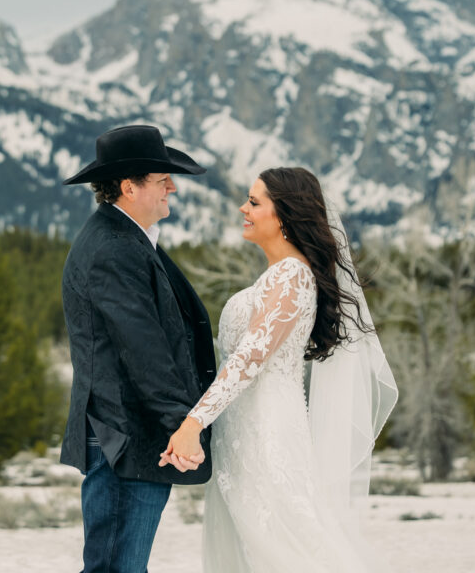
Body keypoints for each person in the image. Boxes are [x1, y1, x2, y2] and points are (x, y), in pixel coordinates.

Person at [160, 166, 398, 573]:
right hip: (241, 435)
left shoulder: (292, 276)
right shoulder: (276, 276)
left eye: (254, 202)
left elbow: (248, 360)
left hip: (267, 435)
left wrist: (193, 423)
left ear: (285, 216)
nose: (243, 208)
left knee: (288, 547)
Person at [61, 124, 217, 573]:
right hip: (124, 438)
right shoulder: (114, 248)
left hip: (129, 435)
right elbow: (144, 350)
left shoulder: (125, 239)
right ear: (129, 187)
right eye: (162, 179)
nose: (172, 187)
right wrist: (182, 426)